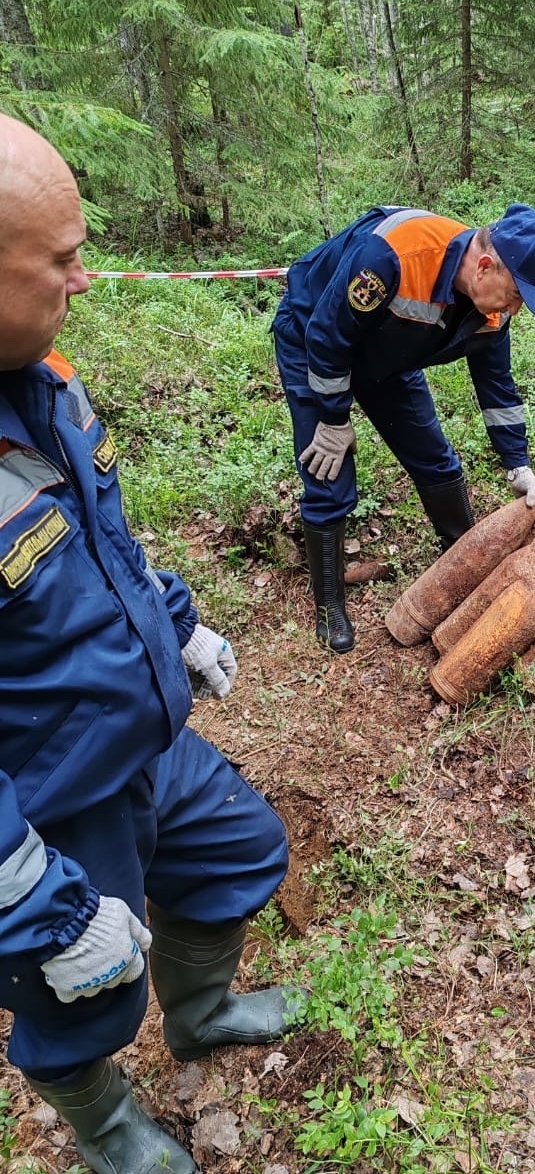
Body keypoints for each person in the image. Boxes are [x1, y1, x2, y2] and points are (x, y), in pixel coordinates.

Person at [0, 113, 303, 1174]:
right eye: (61, 261)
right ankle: (107, 1126)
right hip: (47, 795)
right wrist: (28, 889)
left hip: (138, 734)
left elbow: (106, 540)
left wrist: (178, 625)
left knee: (239, 849)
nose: (82, 280)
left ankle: (204, 1010)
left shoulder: (45, 379)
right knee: (84, 984)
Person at [272, 201, 535, 654]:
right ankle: (329, 603)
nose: (517, 308)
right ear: (485, 266)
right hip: (315, 342)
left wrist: (517, 463)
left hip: (390, 357)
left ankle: (464, 561)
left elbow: (497, 386)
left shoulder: (492, 308)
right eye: (516, 294)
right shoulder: (391, 256)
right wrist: (333, 420)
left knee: (436, 461)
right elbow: (329, 337)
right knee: (328, 472)